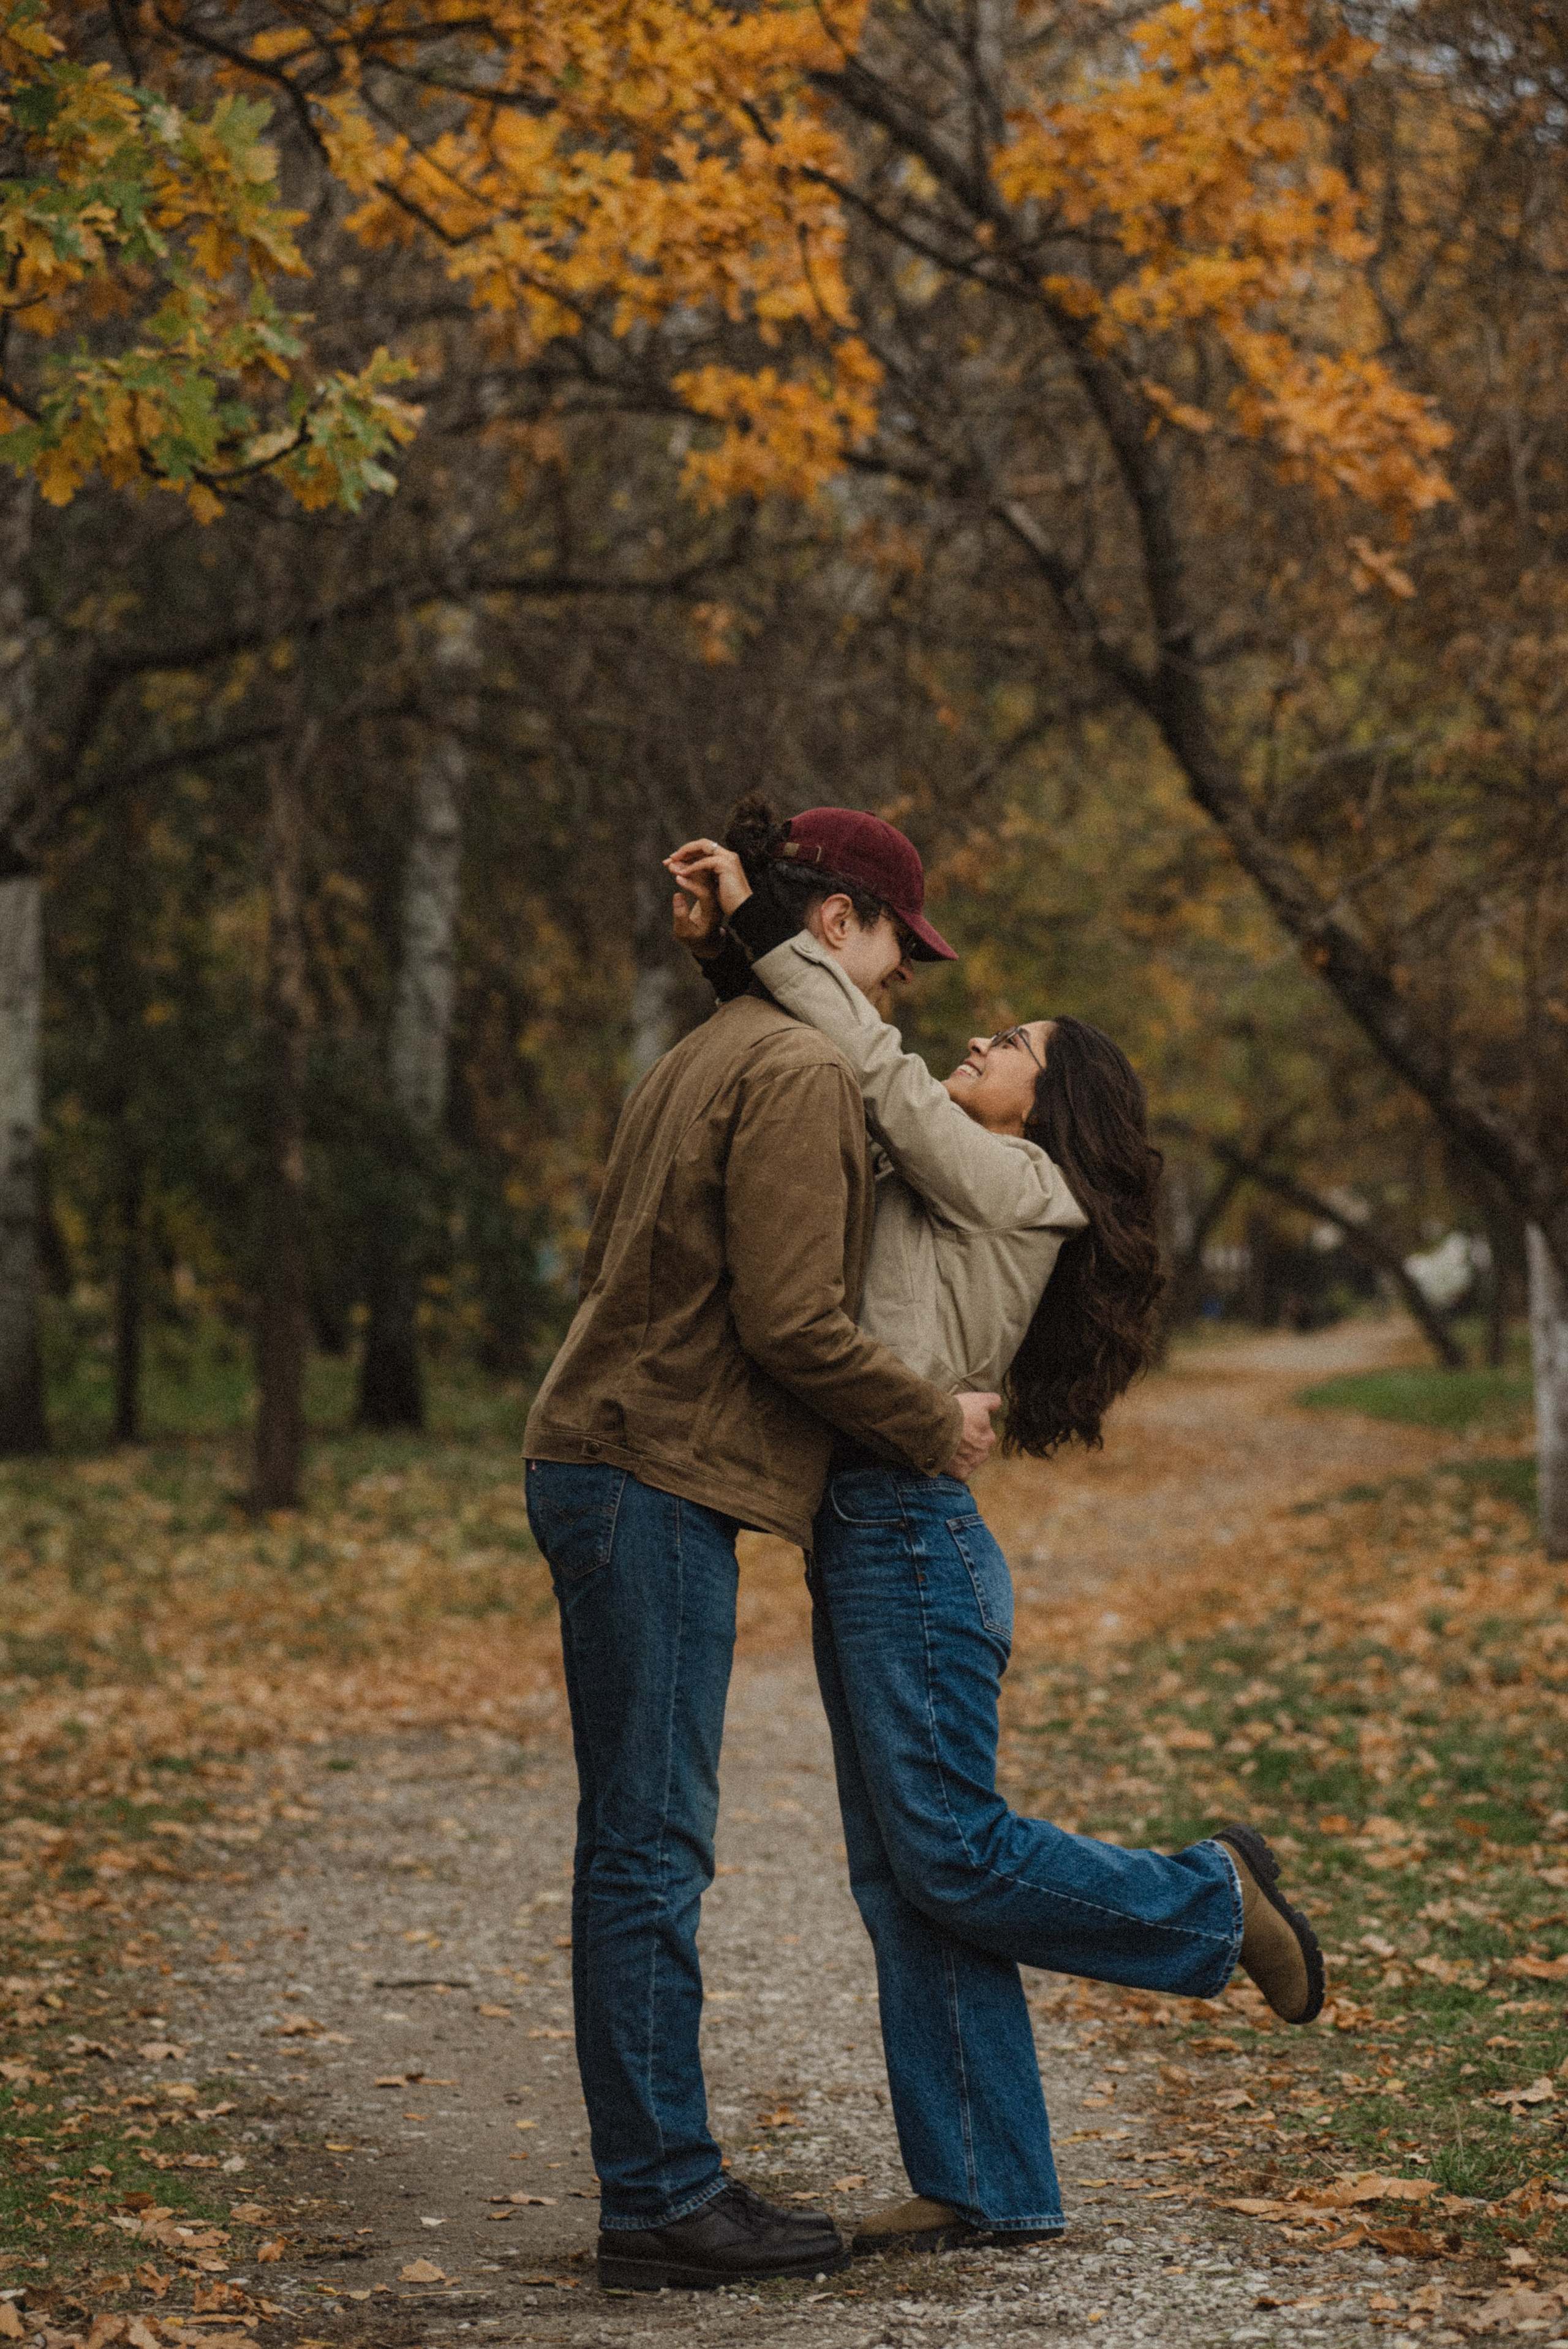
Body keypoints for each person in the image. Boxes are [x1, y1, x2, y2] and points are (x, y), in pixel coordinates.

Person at [668, 801, 1325, 2258]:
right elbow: (830, 1078)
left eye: (1010, 1043)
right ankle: (986, 2178)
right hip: (866, 1529)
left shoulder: (1032, 1188)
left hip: (911, 1534)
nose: (974, 1041)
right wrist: (735, 951)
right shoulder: (937, 1169)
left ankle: (1207, 1905)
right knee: (901, 1869)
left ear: (1055, 1099)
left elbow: (884, 1082)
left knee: (950, 1851)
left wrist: (777, 934)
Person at [522, 809, 1003, 2293]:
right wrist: (932, 1420)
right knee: (650, 1847)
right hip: (646, 1472)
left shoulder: (715, 1043)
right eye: (895, 953)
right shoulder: (796, 1066)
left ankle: (655, 2185)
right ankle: (661, 2198)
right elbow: (794, 1322)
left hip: (611, 1459)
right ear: (843, 920)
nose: (899, 988)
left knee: (636, 1839)